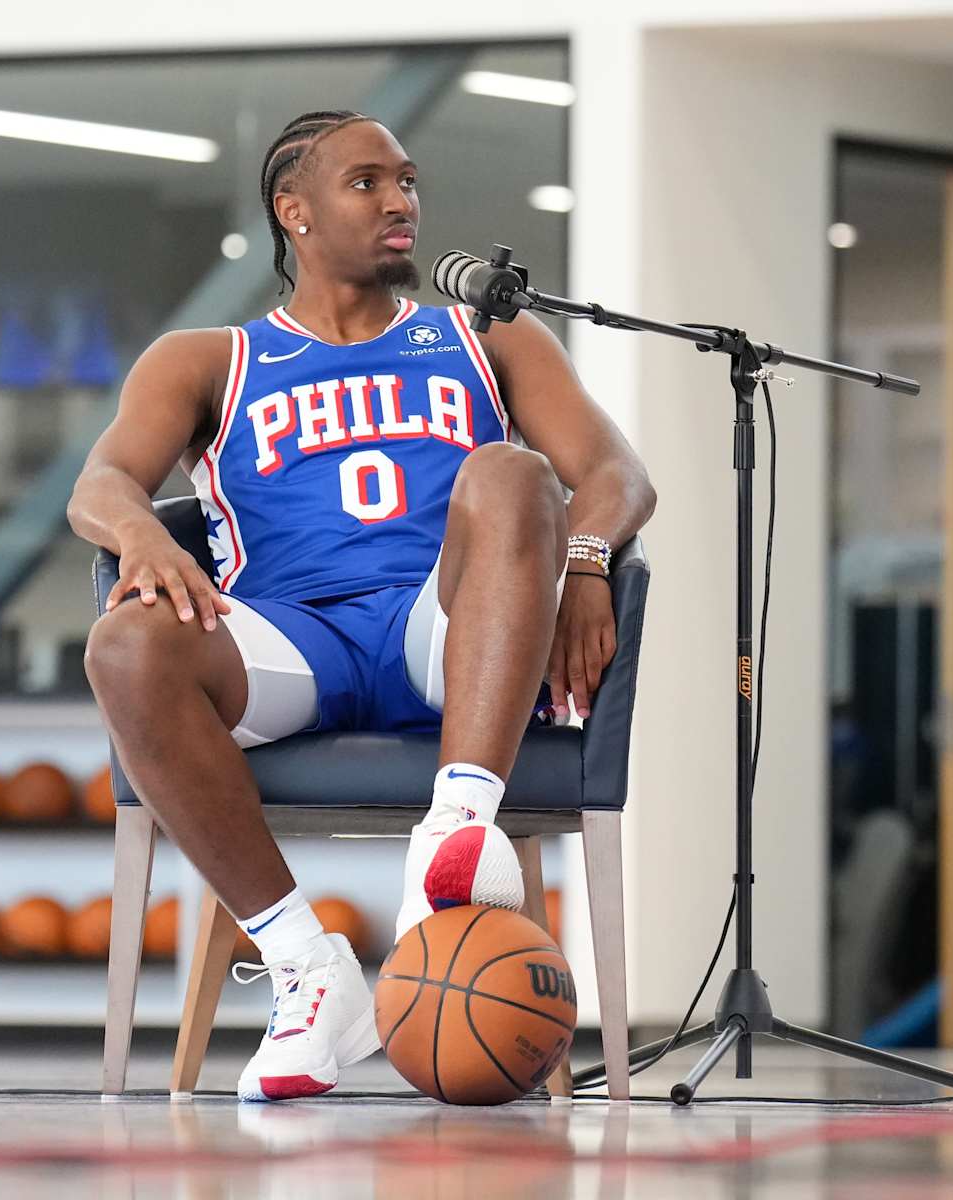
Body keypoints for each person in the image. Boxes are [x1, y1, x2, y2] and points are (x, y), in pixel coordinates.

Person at [68, 109, 654, 1101]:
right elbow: (100, 484)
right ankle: (306, 967)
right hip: (290, 640)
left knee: (512, 476)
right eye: (368, 184)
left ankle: (456, 830)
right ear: (294, 212)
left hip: (447, 630)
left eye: (409, 182)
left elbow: (613, 472)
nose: (401, 204)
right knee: (123, 648)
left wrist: (587, 559)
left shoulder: (484, 335)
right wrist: (137, 538)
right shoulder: (211, 358)